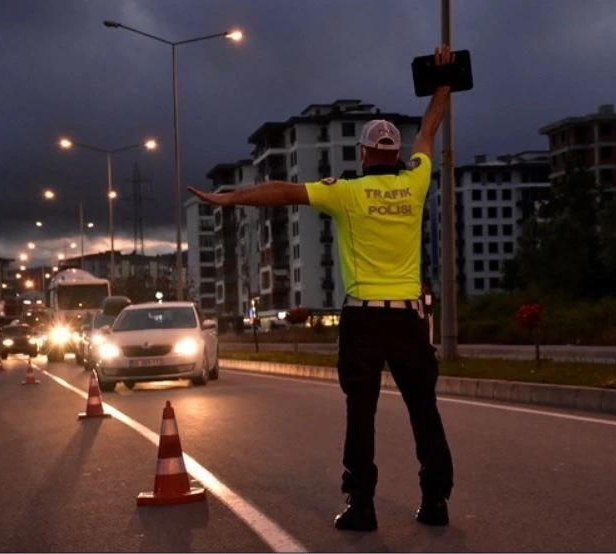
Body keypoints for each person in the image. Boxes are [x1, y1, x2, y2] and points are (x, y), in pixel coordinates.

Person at [188, 44, 455, 532]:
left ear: (364, 153)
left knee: (361, 413)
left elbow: (283, 193)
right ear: (397, 153)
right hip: (409, 317)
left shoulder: (346, 193)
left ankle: (362, 507)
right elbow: (430, 127)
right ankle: (436, 501)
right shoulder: (417, 182)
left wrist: (231, 199)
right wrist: (444, 81)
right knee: (424, 409)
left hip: (364, 318)